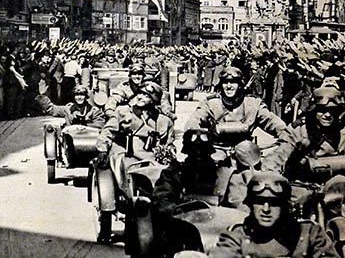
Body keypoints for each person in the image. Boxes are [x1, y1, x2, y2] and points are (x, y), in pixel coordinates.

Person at [204, 172, 339, 258]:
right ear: (250, 204)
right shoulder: (237, 237)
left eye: (274, 203)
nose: (266, 209)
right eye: (259, 202)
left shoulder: (308, 233)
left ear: (285, 206)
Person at [185, 66, 287, 148]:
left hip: (246, 151)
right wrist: (192, 133)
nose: (229, 86)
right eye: (225, 82)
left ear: (240, 84)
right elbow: (195, 118)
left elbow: (270, 120)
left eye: (233, 82)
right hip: (217, 149)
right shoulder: (211, 103)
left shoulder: (252, 103)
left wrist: (284, 133)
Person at [263, 85, 345, 178]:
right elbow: (279, 155)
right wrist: (269, 176)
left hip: (337, 185)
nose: (327, 115)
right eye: (322, 110)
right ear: (313, 110)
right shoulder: (299, 130)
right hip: (305, 183)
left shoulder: (342, 132)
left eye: (332, 111)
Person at [96, 81, 175, 165]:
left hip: (151, 159)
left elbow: (169, 144)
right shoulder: (123, 112)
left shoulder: (164, 121)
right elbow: (107, 132)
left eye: (146, 96)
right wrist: (103, 150)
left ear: (153, 101)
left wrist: (169, 154)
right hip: (126, 155)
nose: (140, 97)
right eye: (140, 93)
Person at [104, 62, 174, 121]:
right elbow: (114, 99)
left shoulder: (148, 85)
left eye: (139, 74)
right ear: (130, 76)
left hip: (148, 115)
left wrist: (167, 113)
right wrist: (111, 113)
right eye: (134, 74)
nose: (137, 76)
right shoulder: (124, 87)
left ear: (143, 75)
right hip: (131, 116)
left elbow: (163, 97)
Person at [35, 84, 105, 128]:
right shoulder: (68, 108)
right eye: (77, 95)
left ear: (86, 96)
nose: (79, 97)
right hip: (71, 141)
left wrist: (85, 125)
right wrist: (42, 99)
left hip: (88, 141)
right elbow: (52, 109)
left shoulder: (94, 111)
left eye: (82, 95)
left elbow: (100, 125)